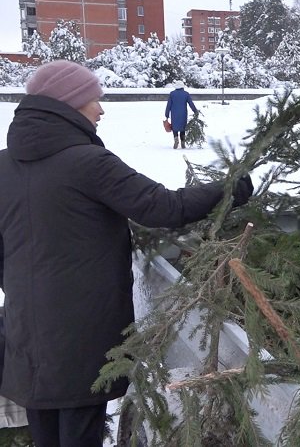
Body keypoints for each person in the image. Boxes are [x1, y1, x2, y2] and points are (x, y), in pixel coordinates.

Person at [0, 60, 253, 446]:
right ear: (69, 104)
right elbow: (164, 207)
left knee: (46, 433)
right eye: (93, 100)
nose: (101, 109)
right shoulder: (87, 163)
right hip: (80, 333)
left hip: (26, 332)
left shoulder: (4, 164)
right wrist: (233, 187)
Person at [165, 80, 199, 149]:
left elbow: (168, 105)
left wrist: (167, 114)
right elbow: (191, 104)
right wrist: (195, 111)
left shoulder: (172, 94)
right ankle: (183, 141)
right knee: (183, 128)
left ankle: (176, 139)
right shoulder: (186, 94)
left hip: (174, 114)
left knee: (174, 128)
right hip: (183, 113)